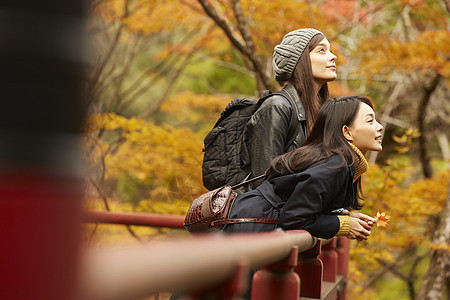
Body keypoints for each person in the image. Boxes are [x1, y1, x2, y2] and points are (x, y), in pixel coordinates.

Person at [223, 95, 382, 240]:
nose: (379, 126)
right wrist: (343, 225)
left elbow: (305, 204)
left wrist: (344, 217)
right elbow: (294, 217)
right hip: (253, 223)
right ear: (347, 132)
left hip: (252, 217)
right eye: (370, 121)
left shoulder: (336, 161)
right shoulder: (335, 165)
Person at [240, 28, 337, 185]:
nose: (333, 56)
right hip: (272, 207)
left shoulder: (324, 112)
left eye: (330, 51)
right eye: (321, 50)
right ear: (301, 60)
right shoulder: (277, 107)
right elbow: (265, 184)